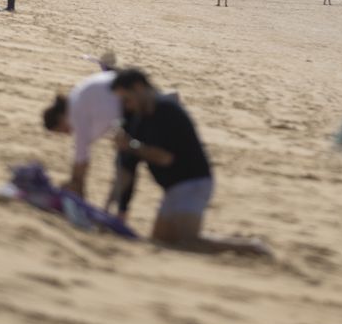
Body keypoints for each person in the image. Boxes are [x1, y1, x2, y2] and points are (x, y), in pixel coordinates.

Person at [109, 69, 269, 256]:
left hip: (193, 183)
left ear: (138, 88)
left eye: (126, 99)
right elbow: (128, 169)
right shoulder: (137, 117)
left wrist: (130, 146)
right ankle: (246, 246)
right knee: (161, 241)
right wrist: (113, 208)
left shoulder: (166, 110)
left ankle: (252, 247)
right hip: (172, 188)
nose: (125, 105)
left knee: (190, 242)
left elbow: (165, 157)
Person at [42, 67, 131, 214]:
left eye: (63, 130)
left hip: (130, 103)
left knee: (126, 164)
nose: (67, 133)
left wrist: (75, 186)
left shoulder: (75, 115)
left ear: (60, 118)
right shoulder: (75, 95)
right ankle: (111, 210)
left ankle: (115, 213)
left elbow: (82, 159)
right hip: (126, 87)